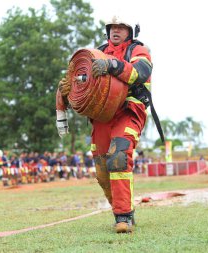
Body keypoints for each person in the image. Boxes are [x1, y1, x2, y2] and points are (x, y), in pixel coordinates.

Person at [56, 14, 153, 233]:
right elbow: (85, 85)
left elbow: (141, 72)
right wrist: (68, 90)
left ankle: (123, 216)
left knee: (118, 156)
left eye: (121, 27)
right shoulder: (95, 53)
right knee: (102, 171)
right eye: (112, 27)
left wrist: (111, 65)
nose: (115, 31)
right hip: (101, 115)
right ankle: (122, 209)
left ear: (131, 31)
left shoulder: (138, 51)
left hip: (128, 110)